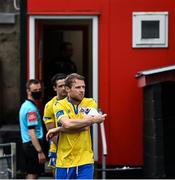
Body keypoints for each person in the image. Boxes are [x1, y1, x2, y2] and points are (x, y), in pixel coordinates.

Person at [46, 73, 107, 179]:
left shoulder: (90, 102)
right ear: (68, 89)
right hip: (64, 161)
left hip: (85, 160)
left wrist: (59, 128)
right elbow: (68, 124)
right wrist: (92, 120)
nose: (82, 90)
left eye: (83, 87)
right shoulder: (58, 104)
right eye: (78, 87)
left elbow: (85, 127)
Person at [19, 79, 46, 179]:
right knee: (33, 174)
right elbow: (31, 131)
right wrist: (40, 151)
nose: (38, 92)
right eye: (35, 90)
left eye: (39, 89)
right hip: (33, 145)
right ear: (28, 91)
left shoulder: (25, 105)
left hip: (29, 144)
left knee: (33, 173)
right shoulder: (31, 109)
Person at [43, 73, 67, 174]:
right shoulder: (49, 106)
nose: (63, 88)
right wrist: (66, 147)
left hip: (76, 149)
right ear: (54, 88)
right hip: (58, 149)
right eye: (60, 86)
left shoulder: (74, 101)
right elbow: (52, 132)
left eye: (65, 85)